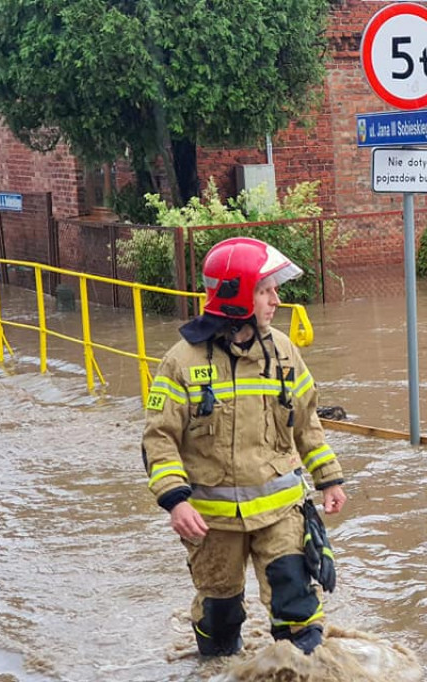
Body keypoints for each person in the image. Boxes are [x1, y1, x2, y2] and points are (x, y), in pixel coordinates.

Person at [142, 237, 347, 658]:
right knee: (219, 625)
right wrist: (176, 503)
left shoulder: (285, 353)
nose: (276, 299)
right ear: (238, 298)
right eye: (265, 290)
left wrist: (329, 480)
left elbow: (307, 422)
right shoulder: (181, 363)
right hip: (212, 522)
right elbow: (158, 438)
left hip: (281, 511)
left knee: (298, 611)